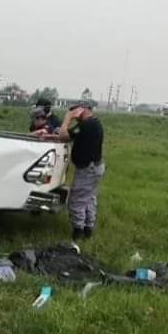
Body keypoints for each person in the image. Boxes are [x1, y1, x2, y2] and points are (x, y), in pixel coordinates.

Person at [58, 101, 105, 240]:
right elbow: (73, 135)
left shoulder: (86, 124)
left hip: (87, 169)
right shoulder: (94, 122)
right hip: (95, 166)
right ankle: (88, 229)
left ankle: (78, 232)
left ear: (82, 109)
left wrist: (67, 117)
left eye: (74, 111)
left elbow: (63, 136)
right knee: (89, 199)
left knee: (77, 200)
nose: (74, 114)